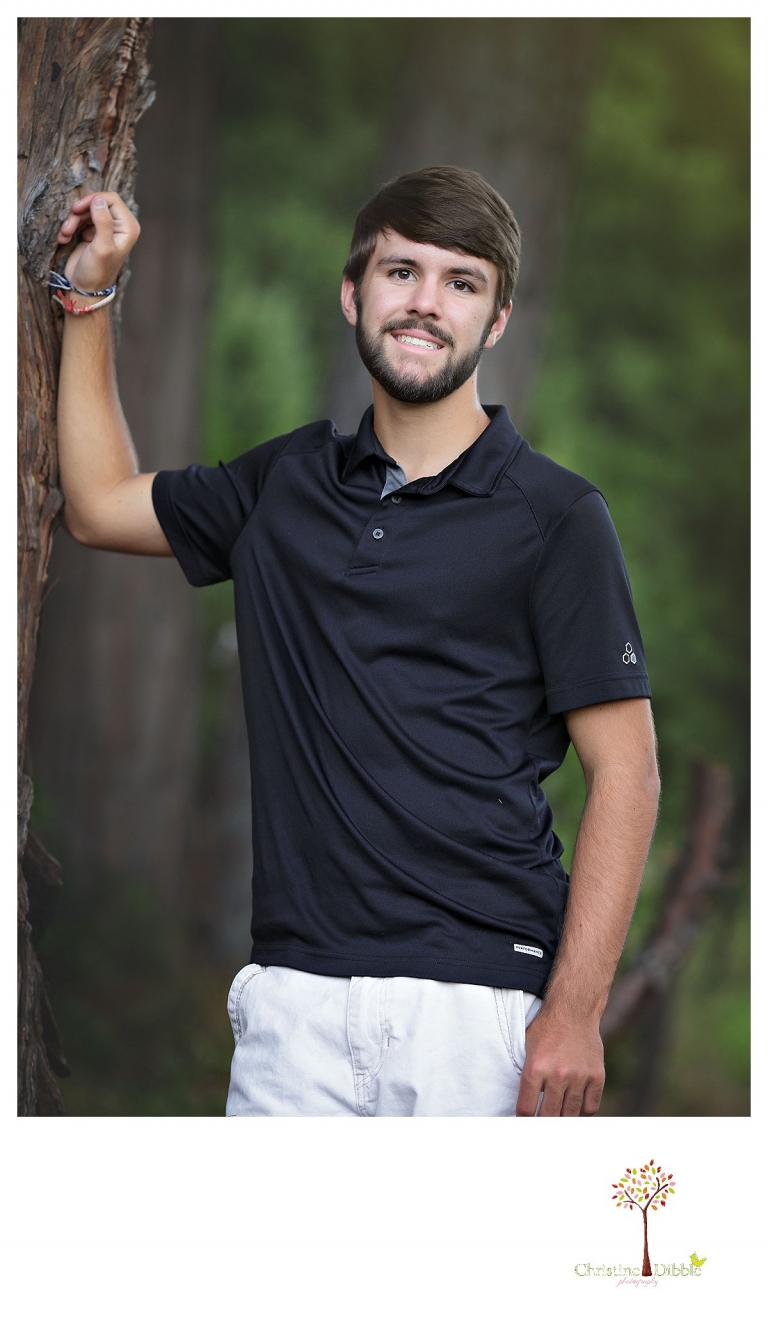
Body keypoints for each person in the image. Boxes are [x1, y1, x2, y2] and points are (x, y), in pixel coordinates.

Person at [54, 165, 660, 1117]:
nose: (426, 303)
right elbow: (95, 505)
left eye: (461, 283)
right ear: (353, 293)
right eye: (401, 271)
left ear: (495, 321)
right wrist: (87, 293)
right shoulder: (283, 487)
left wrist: (577, 1011)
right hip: (295, 1000)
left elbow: (628, 775)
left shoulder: (558, 517)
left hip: (482, 1006)